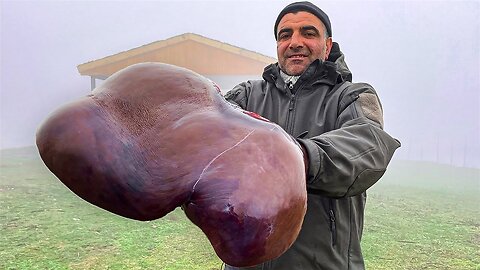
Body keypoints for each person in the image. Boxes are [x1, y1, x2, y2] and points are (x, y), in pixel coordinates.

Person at [223, 1, 400, 270]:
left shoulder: (352, 96)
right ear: (278, 46)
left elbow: (368, 146)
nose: (295, 42)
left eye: (308, 33)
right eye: (285, 35)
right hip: (244, 263)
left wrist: (300, 156)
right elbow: (208, 134)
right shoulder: (246, 95)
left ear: (327, 46)